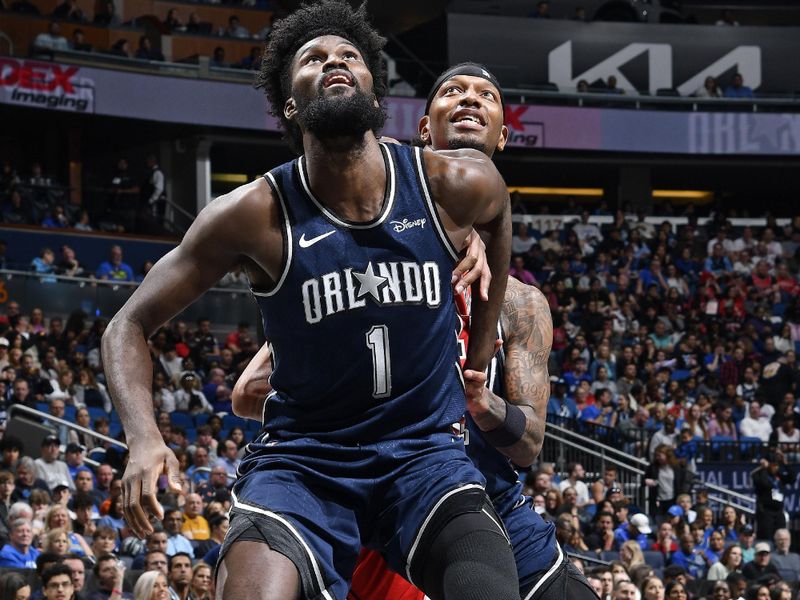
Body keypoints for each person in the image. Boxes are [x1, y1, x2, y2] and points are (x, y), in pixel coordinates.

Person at [102, 3, 514, 600]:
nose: (334, 61)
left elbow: (499, 217)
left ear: (376, 92)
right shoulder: (251, 215)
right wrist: (143, 437)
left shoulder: (449, 183)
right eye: (314, 58)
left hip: (425, 457)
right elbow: (128, 324)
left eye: (349, 55)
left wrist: (476, 355)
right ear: (291, 104)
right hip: (305, 464)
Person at [234, 61, 593, 600]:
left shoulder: (521, 303)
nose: (470, 100)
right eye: (452, 91)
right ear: (425, 129)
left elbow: (528, 446)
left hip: (486, 499)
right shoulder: (372, 258)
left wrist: (477, 402)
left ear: (504, 134)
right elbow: (247, 393)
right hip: (382, 493)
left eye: (486, 96)